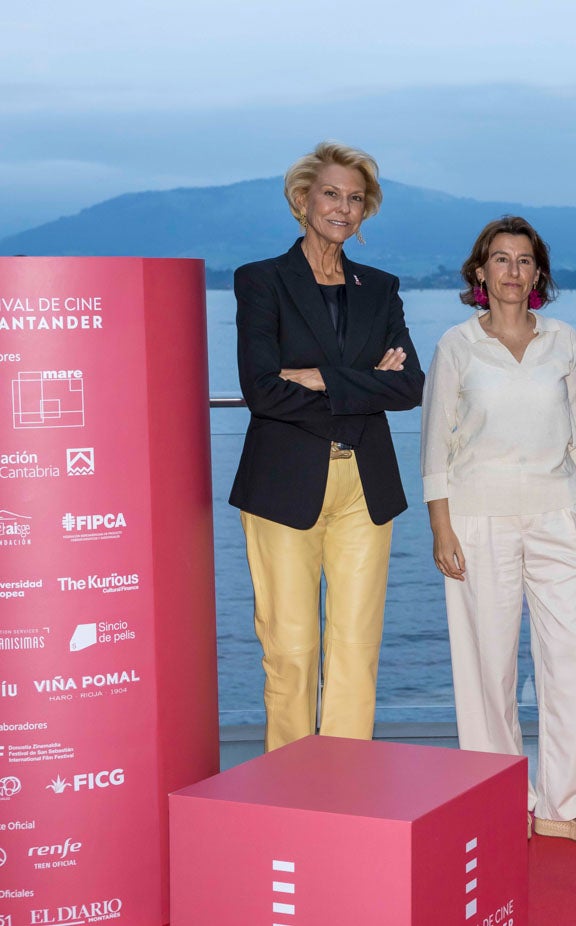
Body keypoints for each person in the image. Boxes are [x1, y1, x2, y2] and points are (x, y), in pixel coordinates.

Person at [421, 216, 576, 846]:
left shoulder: (565, 339)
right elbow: (435, 448)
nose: (512, 271)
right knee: (488, 667)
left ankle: (572, 801)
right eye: (500, 259)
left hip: (560, 516)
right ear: (480, 272)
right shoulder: (456, 345)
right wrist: (441, 529)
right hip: (477, 519)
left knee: (569, 658)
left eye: (524, 260)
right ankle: (499, 800)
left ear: (539, 273)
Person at [230, 141, 425, 751]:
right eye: (332, 194)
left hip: (366, 486)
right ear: (302, 200)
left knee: (356, 647)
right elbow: (262, 390)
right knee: (289, 648)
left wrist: (316, 376)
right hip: (284, 485)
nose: (344, 208)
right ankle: (288, 783)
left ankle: (346, 785)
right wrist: (365, 382)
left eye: (356, 199)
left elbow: (410, 385)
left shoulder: (381, 287)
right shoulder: (261, 281)